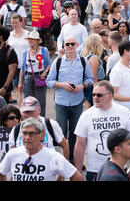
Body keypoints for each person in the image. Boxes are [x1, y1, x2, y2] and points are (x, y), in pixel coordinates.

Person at [74, 80, 130, 181]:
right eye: (93, 94)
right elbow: (80, 145)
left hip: (119, 169)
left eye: (99, 95)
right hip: (94, 170)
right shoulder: (86, 115)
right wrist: (77, 173)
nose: (95, 97)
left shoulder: (124, 112)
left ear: (110, 96)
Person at [46, 35, 93, 164]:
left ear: (77, 45)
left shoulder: (83, 61)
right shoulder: (58, 61)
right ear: (63, 46)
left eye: (72, 44)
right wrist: (62, 85)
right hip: (61, 102)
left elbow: (90, 80)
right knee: (60, 132)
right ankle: (62, 158)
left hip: (77, 102)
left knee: (75, 132)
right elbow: (49, 81)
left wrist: (81, 86)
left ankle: (71, 158)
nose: (70, 47)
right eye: (67, 44)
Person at [0, 118, 83, 181]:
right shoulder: (13, 154)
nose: (27, 138)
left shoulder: (53, 157)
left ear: (42, 136)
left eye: (31, 134)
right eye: (24, 133)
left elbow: (77, 177)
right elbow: (0, 172)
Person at [18, 31, 52, 116]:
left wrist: (45, 72)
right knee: (27, 100)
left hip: (40, 77)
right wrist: (20, 82)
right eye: (29, 39)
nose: (30, 41)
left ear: (37, 41)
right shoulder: (26, 52)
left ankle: (41, 119)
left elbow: (49, 64)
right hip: (28, 77)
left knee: (41, 100)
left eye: (32, 39)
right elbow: (22, 68)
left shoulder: (44, 50)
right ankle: (28, 118)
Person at [8, 14, 29, 105]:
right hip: (15, 66)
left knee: (27, 89)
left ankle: (27, 109)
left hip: (26, 65)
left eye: (16, 23)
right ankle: (20, 110)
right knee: (18, 88)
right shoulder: (9, 35)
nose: (14, 25)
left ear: (21, 22)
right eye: (12, 23)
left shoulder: (27, 34)